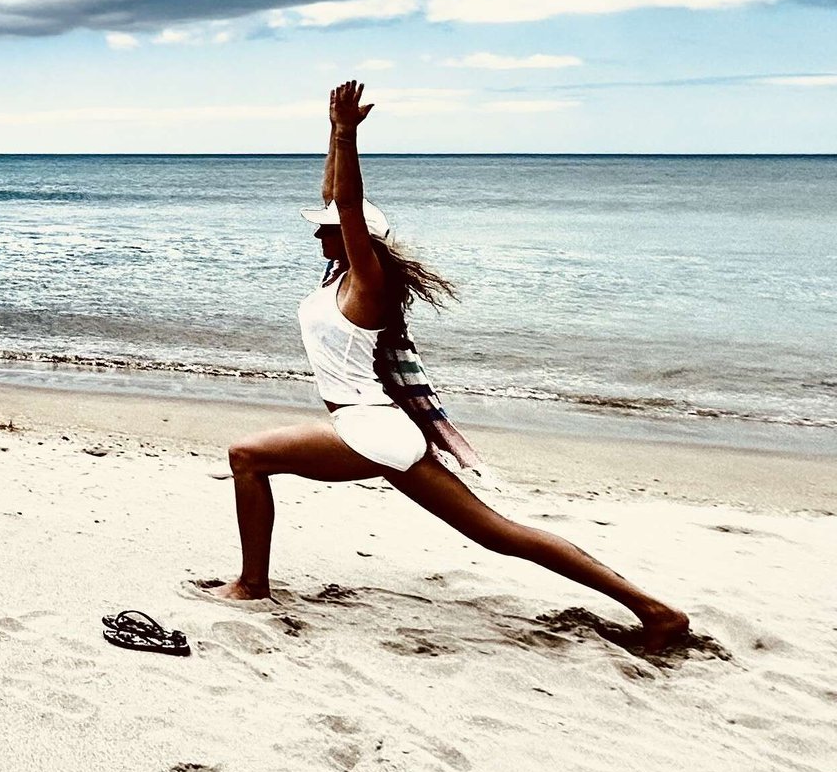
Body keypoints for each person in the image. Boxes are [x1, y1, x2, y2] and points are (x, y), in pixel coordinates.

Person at [206, 80, 689, 653]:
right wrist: (330, 136)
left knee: (247, 455)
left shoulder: (369, 285)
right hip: (369, 427)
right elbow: (338, 199)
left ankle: (252, 585)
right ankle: (655, 611)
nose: (317, 231)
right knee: (497, 534)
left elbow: (351, 208)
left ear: (355, 241)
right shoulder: (336, 277)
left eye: (327, 229)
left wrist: (346, 135)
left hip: (371, 429)